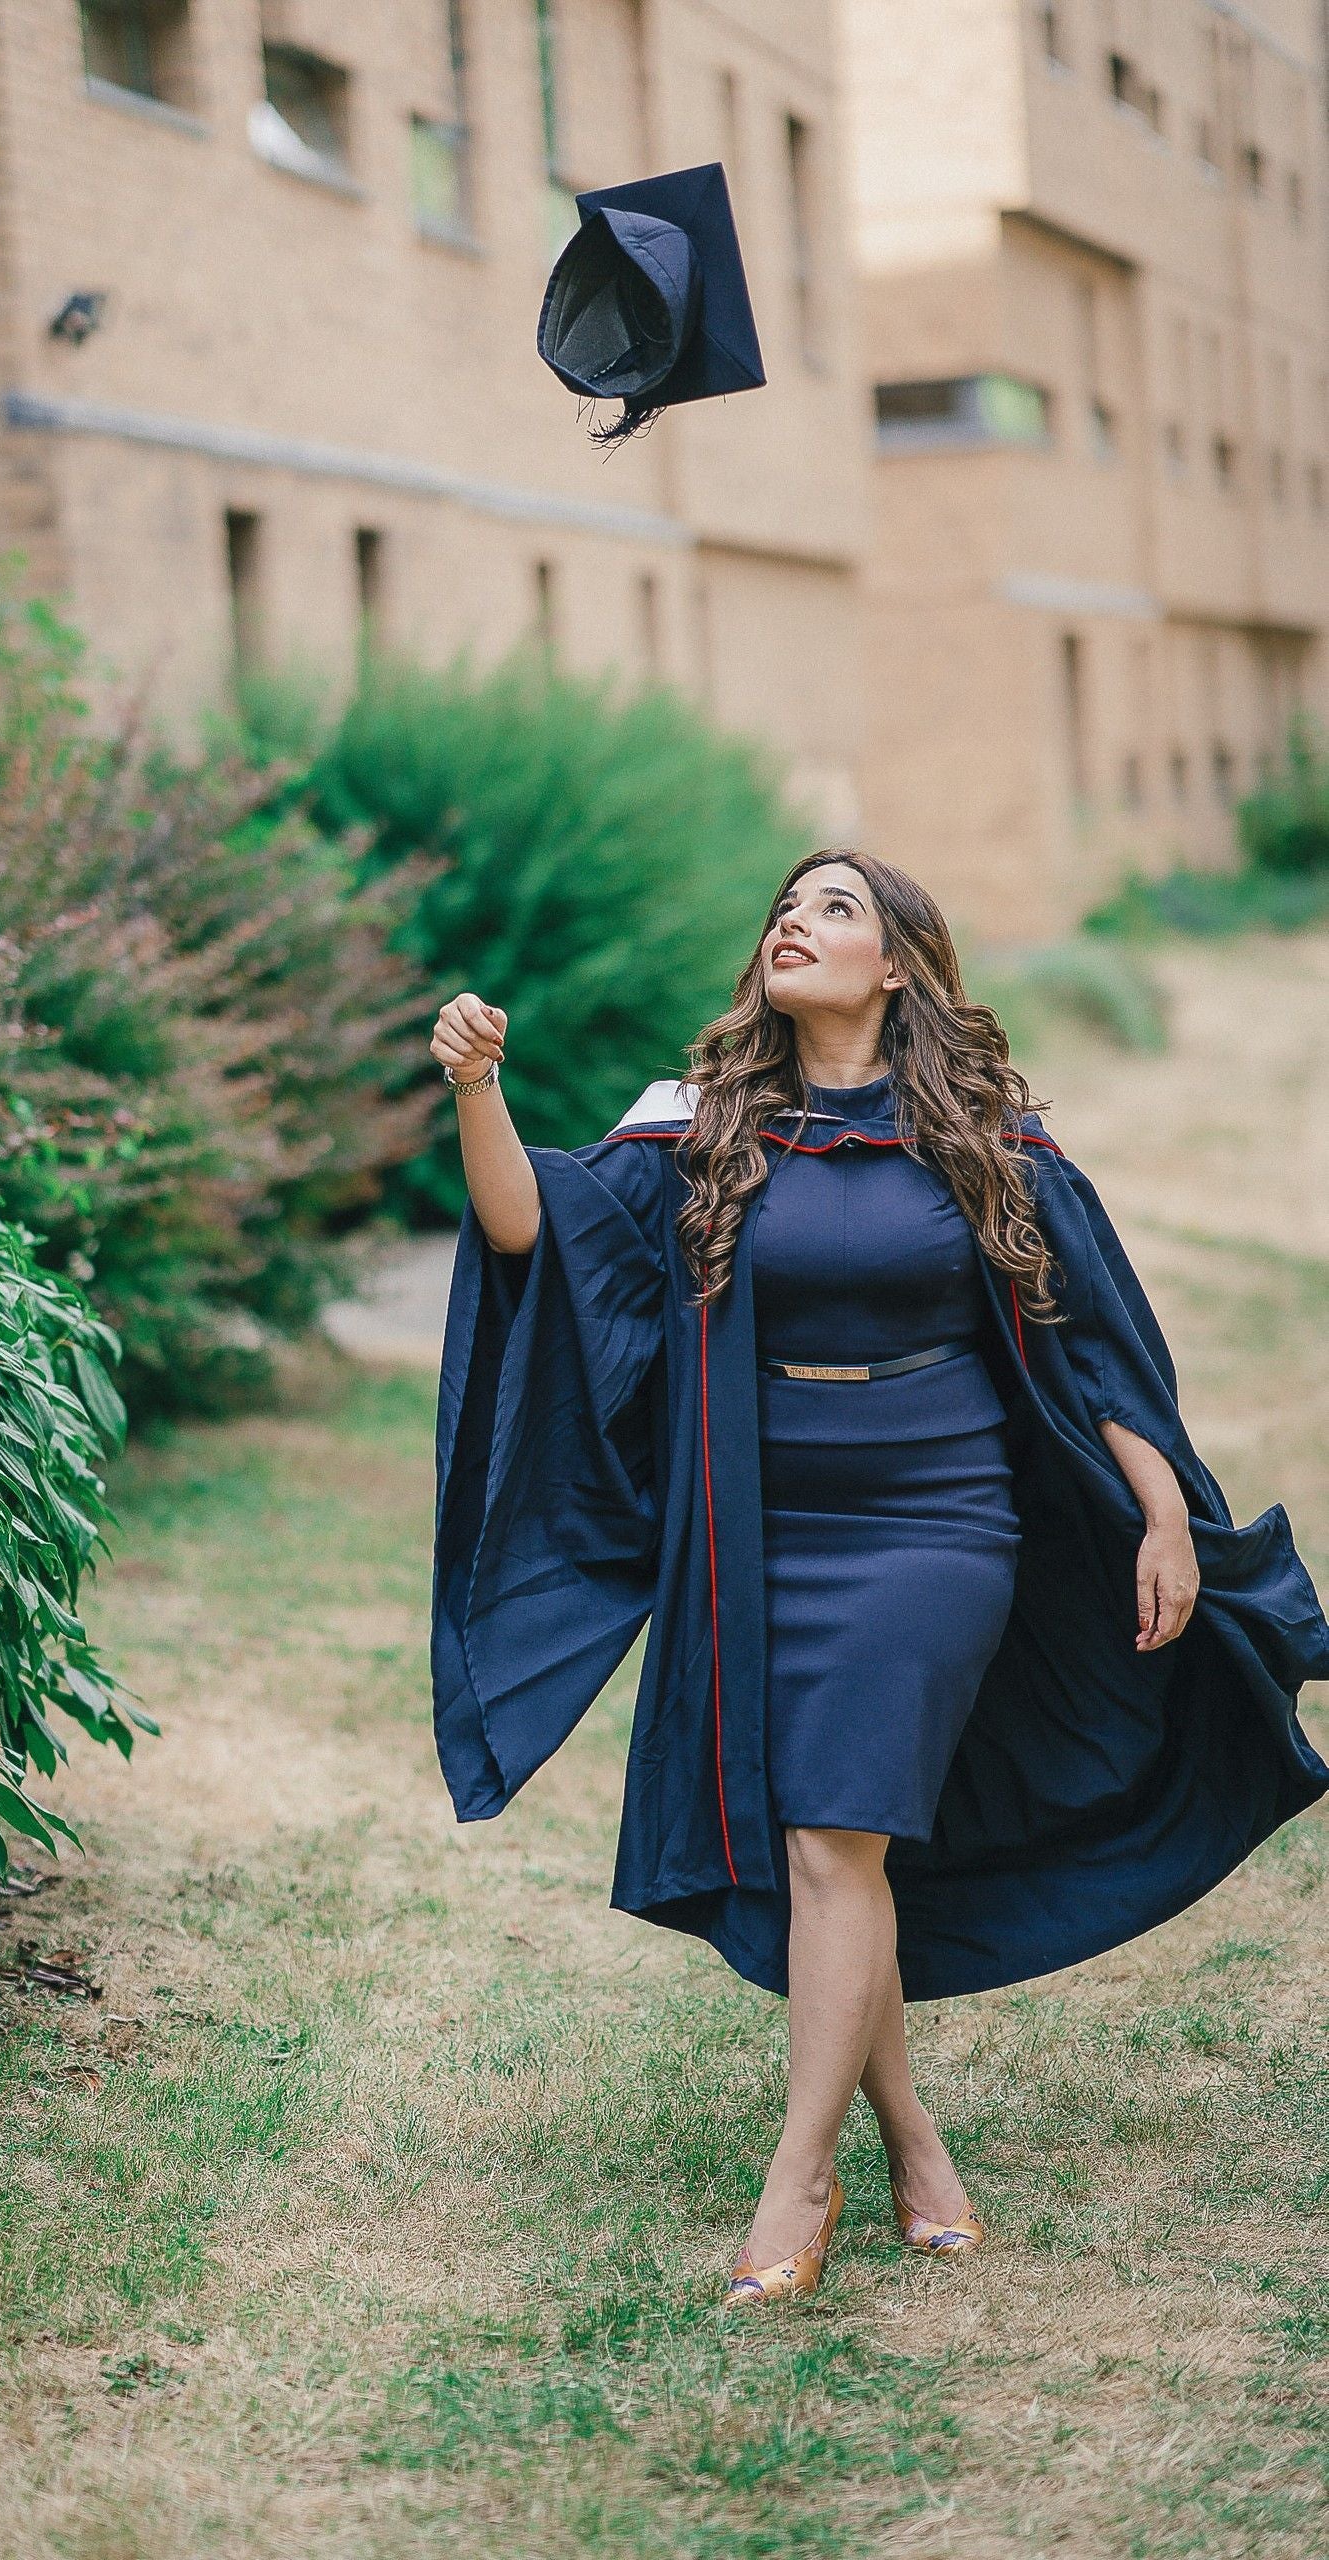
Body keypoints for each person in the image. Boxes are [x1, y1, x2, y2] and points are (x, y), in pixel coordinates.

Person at [429, 850, 1328, 2307]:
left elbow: (1086, 1343)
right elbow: (533, 1230)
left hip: (939, 1519)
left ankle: (796, 2184)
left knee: (837, 1832)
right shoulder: (703, 1126)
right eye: (785, 902)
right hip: (765, 1524)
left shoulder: (979, 1135)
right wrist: (478, 1087)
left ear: (899, 963)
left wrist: (1162, 1510)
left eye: (835, 906)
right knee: (827, 1851)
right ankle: (911, 2138)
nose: (795, 917)